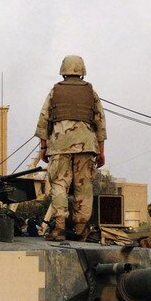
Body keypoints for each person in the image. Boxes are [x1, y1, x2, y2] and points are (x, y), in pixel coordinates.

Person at [35, 55, 107, 241]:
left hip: (59, 145)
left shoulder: (55, 90)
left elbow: (44, 119)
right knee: (84, 187)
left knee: (59, 184)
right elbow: (100, 122)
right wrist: (101, 150)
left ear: (63, 70)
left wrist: (43, 146)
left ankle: (58, 228)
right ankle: (81, 229)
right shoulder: (91, 92)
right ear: (82, 70)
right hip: (86, 145)